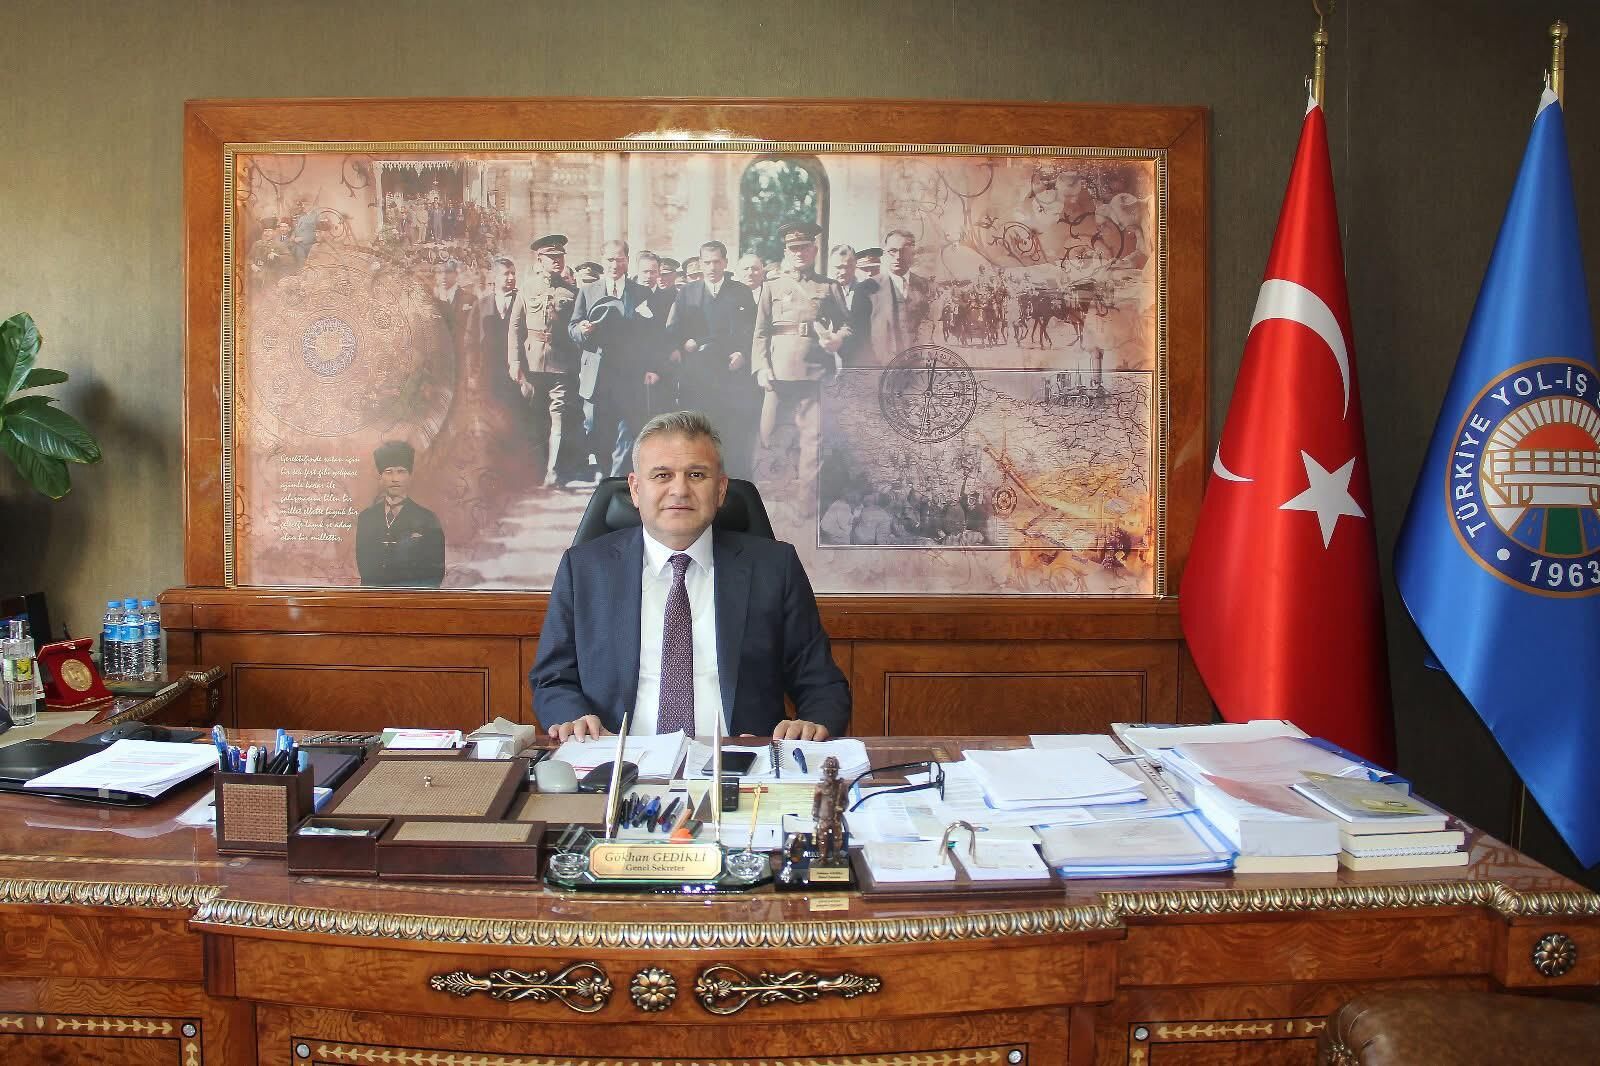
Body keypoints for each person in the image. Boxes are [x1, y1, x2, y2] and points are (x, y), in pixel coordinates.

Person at [531, 410, 850, 741]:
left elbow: (821, 683)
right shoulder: (584, 569)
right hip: (618, 757)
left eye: (696, 475)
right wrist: (574, 718)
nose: (680, 490)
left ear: (721, 489)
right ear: (636, 489)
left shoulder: (774, 567)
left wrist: (812, 722)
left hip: (741, 761)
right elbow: (553, 678)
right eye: (662, 475)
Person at [752, 221, 844, 487]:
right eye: (793, 248)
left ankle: (806, 500)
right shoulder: (772, 285)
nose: (799, 253)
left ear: (814, 250)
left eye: (804, 247)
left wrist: (838, 338)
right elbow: (760, 331)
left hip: (814, 370)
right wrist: (761, 367)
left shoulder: (829, 286)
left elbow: (846, 325)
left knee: (813, 439)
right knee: (769, 434)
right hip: (778, 371)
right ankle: (767, 495)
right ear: (786, 251)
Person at [666, 240, 760, 478]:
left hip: (731, 374)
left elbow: (753, 330)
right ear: (700, 263)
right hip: (697, 376)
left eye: (716, 262)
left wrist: (743, 354)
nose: (712, 267)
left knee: (732, 434)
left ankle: (734, 484)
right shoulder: (687, 292)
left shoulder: (741, 292)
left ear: (725, 263)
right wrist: (683, 343)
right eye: (706, 262)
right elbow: (673, 330)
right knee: (698, 432)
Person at [569, 239, 659, 477]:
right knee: (597, 429)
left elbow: (651, 335)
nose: (615, 265)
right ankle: (605, 472)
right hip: (597, 374)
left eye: (620, 259)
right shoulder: (588, 291)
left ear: (627, 261)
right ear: (602, 261)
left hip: (629, 375)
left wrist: (651, 367)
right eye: (610, 259)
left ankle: (617, 479)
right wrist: (582, 329)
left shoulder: (640, 292)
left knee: (628, 430)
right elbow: (573, 326)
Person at [516, 235, 580, 489]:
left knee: (558, 415)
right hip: (532, 361)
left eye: (560, 257)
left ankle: (553, 472)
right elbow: (515, 327)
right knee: (534, 415)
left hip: (561, 362)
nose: (557, 261)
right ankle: (533, 470)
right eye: (551, 257)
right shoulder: (527, 287)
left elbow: (574, 329)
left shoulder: (571, 291)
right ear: (539, 259)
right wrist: (514, 361)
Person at [355, 440, 445, 588]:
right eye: (388, 472)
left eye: (401, 471)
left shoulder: (427, 519)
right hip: (374, 597)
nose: (395, 479)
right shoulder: (366, 518)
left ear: (410, 476)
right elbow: (365, 569)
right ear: (380, 476)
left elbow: (435, 575)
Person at [869, 229, 932, 363]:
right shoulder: (868, 288)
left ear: (913, 253)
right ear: (884, 252)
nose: (898, 256)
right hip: (882, 364)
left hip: (916, 364)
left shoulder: (924, 285)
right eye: (892, 251)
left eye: (904, 251)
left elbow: (928, 321)